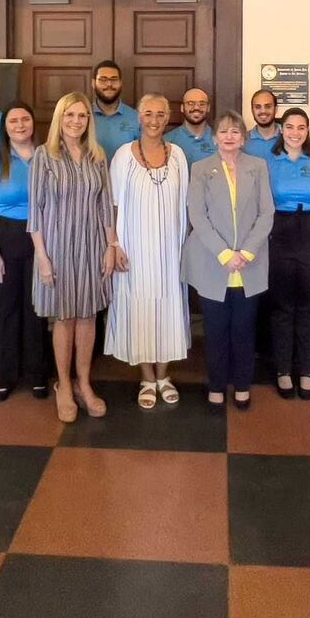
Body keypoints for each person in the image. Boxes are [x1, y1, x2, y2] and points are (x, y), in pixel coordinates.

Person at [29, 92, 117, 422]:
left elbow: (105, 204)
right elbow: (35, 212)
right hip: (57, 247)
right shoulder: (44, 156)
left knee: (88, 317)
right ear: (59, 119)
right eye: (70, 116)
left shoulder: (97, 155)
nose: (76, 122)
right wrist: (42, 257)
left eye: (82, 116)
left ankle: (84, 383)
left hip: (92, 246)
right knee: (64, 318)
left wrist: (111, 245)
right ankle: (63, 385)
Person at [183, 110, 274, 411]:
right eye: (223, 131)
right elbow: (197, 215)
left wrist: (245, 252)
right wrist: (225, 254)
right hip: (213, 262)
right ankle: (217, 385)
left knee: (244, 330)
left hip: (250, 263)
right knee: (216, 330)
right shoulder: (200, 168)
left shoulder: (258, 166)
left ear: (244, 137)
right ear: (214, 137)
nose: (229, 136)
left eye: (235, 131)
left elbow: (267, 214)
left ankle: (243, 384)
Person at [106, 95, 190, 408]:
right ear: (139, 117)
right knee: (138, 308)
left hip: (170, 248)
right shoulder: (123, 156)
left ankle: (164, 376)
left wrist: (186, 246)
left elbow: (186, 203)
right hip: (134, 249)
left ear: (168, 118)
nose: (154, 120)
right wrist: (114, 244)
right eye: (148, 114)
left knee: (169, 307)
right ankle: (146, 377)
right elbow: (111, 206)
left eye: (160, 114)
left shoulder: (179, 155)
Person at [0, 102, 49, 401]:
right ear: (5, 127)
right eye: (14, 121)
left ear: (33, 123)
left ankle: (38, 374)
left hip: (41, 238)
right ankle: (3, 376)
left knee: (37, 309)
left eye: (25, 119)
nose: (20, 125)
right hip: (5, 239)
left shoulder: (47, 156)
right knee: (6, 308)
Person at [266, 108, 310, 400]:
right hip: (279, 232)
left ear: (308, 131)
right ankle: (283, 369)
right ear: (281, 129)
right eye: (290, 127)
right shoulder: (268, 162)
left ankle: (306, 369)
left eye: (302, 127)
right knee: (282, 308)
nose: (295, 132)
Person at [91, 60, 140, 162]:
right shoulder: (84, 116)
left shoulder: (136, 118)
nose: (109, 84)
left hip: (125, 177)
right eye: (103, 79)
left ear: (121, 83)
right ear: (93, 83)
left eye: (114, 79)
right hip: (91, 177)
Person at [166, 87, 216, 170]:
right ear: (182, 108)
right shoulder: (168, 141)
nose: (196, 108)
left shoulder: (220, 140)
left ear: (208, 108)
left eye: (202, 104)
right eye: (190, 103)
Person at [243, 88, 280, 161]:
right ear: (252, 110)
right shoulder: (243, 141)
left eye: (268, 106)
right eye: (257, 107)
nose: (263, 111)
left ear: (276, 109)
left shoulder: (289, 138)